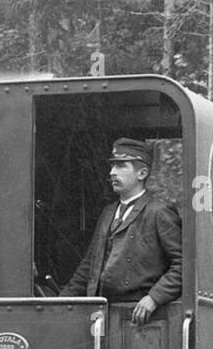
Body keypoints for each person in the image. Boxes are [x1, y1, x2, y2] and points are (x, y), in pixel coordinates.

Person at [60, 138, 182, 325]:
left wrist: (154, 298)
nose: (112, 173)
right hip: (101, 313)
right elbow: (89, 266)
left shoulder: (159, 212)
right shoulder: (108, 212)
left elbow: (182, 265)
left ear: (142, 173)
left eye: (120, 166)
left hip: (139, 319)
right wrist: (58, 303)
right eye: (112, 167)